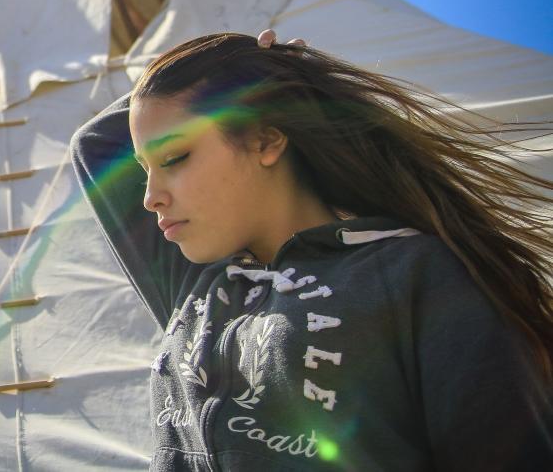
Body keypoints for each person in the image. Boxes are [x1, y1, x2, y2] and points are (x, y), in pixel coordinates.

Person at [70, 30, 552, 470]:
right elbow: (94, 145)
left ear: (265, 138)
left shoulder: (414, 273)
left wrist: (258, 75)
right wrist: (260, 67)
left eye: (174, 158)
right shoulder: (194, 281)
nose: (149, 195)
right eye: (144, 169)